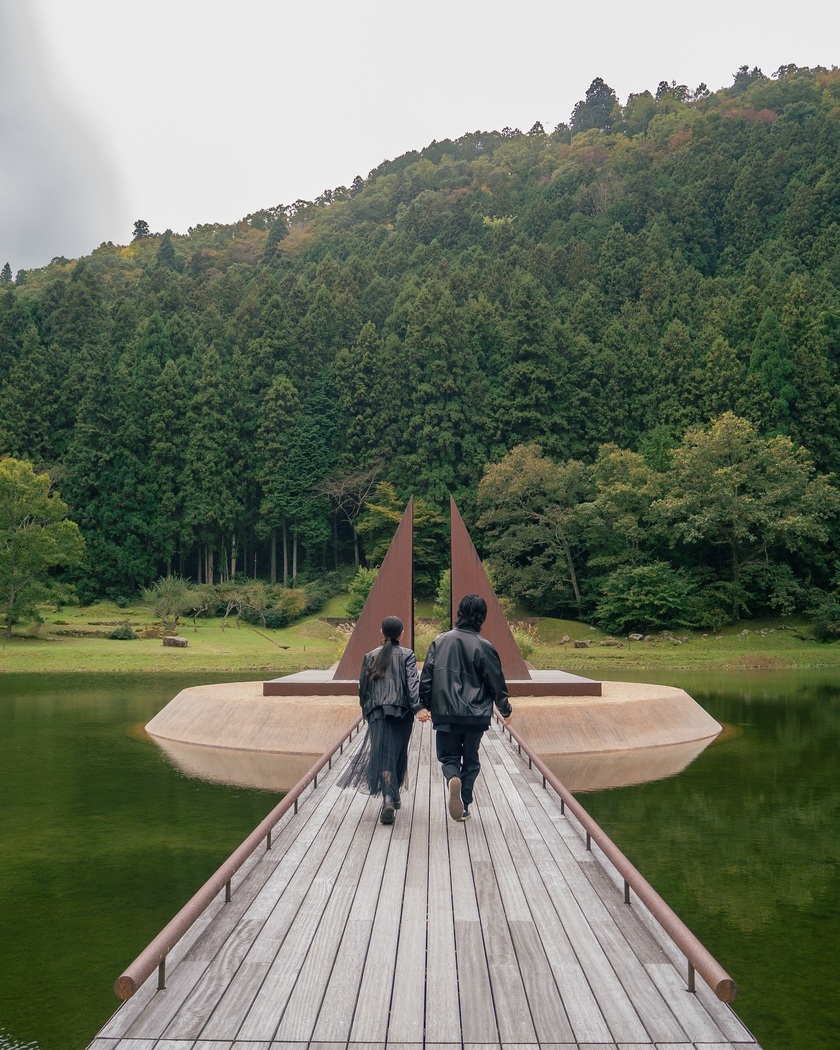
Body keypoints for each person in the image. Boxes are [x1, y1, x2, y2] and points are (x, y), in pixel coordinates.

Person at [418, 594, 512, 822]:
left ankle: (452, 778)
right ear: (482, 617)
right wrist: (505, 709)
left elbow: (427, 677)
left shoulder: (439, 642)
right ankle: (466, 804)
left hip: (445, 713)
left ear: (459, 612)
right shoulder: (484, 646)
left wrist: (424, 704)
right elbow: (496, 682)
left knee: (449, 757)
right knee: (471, 760)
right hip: (476, 715)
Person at [358, 615, 420, 824]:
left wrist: (366, 712)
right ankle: (393, 795)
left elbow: (363, 688)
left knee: (383, 754)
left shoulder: (370, 655)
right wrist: (418, 707)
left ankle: (388, 797)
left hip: (377, 711)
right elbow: (412, 685)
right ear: (402, 633)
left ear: (381, 633)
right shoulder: (407, 655)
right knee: (398, 752)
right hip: (402, 712)